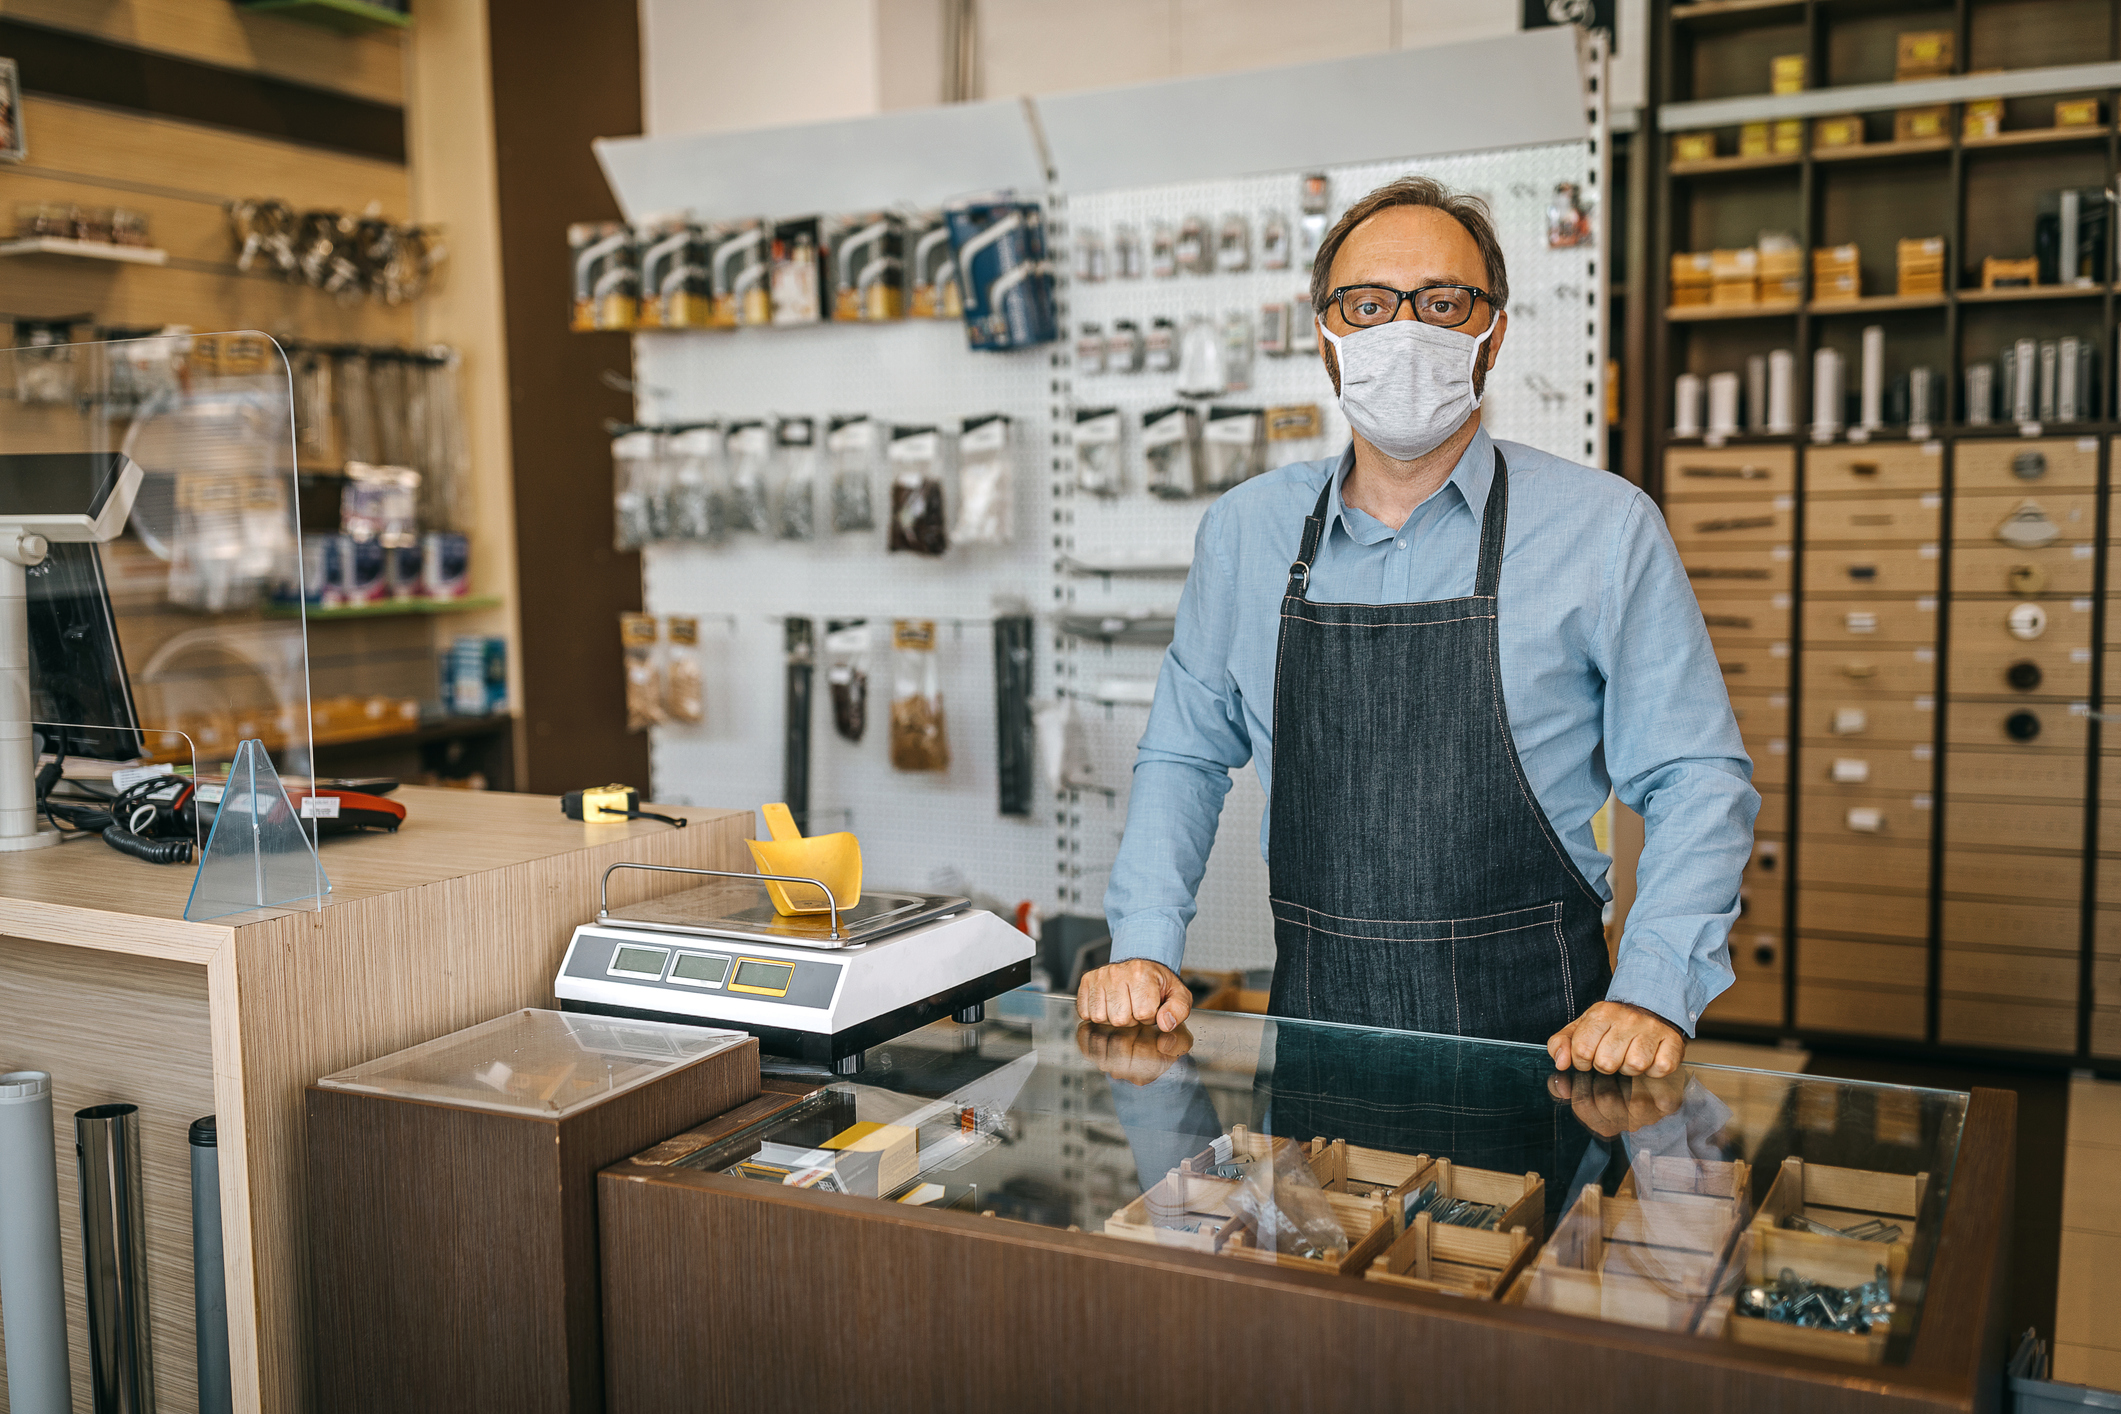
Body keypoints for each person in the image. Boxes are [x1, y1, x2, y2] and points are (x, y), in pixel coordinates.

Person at [1076, 175, 1756, 1079]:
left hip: (1549, 1037)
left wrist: (1647, 990)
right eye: (1366, 305)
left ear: (1492, 331)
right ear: (1324, 334)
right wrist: (1145, 943)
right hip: (1319, 1024)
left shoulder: (1603, 526)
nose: (1404, 331)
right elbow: (1185, 756)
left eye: (1442, 303)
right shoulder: (1247, 530)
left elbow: (1695, 777)